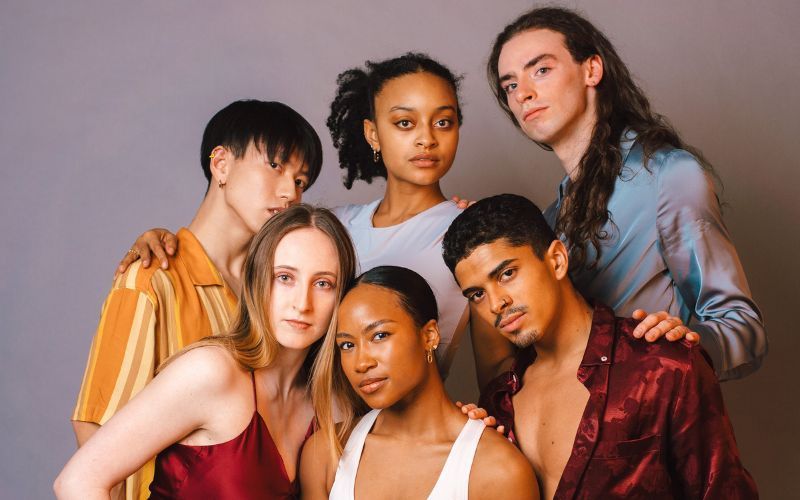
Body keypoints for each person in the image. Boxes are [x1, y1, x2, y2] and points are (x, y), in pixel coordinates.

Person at [115, 54, 689, 384]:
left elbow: (500, 372)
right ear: (373, 133)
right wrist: (164, 238)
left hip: (406, 444)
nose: (427, 140)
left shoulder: (471, 236)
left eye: (444, 122)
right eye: (405, 123)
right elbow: (238, 259)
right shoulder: (324, 226)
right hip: (300, 437)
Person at [481, 6, 766, 382]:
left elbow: (745, 331)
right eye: (510, 85)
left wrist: (682, 345)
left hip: (650, 425)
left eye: (541, 70)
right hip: (570, 432)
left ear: (592, 70)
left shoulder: (668, 175)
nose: (524, 94)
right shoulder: (549, 221)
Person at [70, 100, 322, 499]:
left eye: (302, 180)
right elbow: (95, 429)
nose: (290, 191)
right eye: (275, 166)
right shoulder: (153, 279)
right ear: (220, 164)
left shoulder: (277, 289)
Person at [442, 194, 758, 498]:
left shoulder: (663, 365)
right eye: (477, 295)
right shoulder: (500, 402)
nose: (497, 303)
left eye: (507, 274)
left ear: (556, 260)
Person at [55, 204, 357, 499]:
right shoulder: (211, 372)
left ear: (341, 296)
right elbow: (77, 482)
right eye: (285, 278)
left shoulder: (334, 407)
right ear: (257, 280)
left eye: (322, 283)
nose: (302, 303)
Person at [300, 265, 538, 499]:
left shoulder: (498, 471)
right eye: (347, 345)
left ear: (429, 335)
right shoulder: (325, 454)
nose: (361, 363)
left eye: (380, 335)